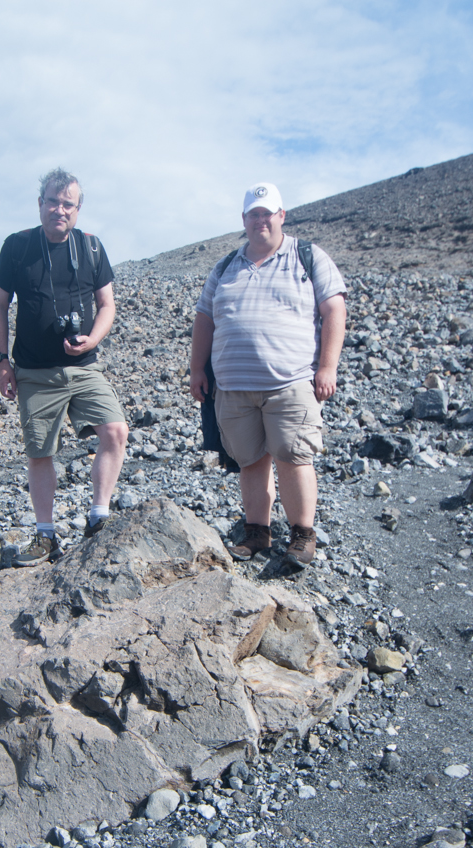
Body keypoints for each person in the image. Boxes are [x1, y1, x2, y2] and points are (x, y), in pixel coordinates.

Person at [189, 182, 347, 567]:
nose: (261, 220)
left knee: (294, 457)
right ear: (244, 220)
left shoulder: (308, 256)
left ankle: (302, 536)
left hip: (289, 383)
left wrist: (327, 366)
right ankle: (256, 533)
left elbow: (334, 310)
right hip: (233, 387)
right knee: (250, 461)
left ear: (282, 215)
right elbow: (204, 321)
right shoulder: (225, 267)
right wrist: (196, 369)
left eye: (267, 213)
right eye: (253, 214)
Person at [0, 168, 130, 567]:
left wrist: (93, 339)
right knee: (40, 451)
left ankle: (99, 516)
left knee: (115, 429)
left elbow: (107, 305)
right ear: (40, 205)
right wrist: (2, 361)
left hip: (84, 366)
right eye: (52, 201)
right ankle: (45, 534)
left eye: (68, 204)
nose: (59, 209)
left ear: (78, 210)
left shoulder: (91, 249)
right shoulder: (17, 247)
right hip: (34, 370)